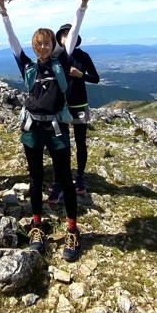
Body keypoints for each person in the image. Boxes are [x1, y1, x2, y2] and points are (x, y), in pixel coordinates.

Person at [0, 0, 94, 262]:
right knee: (36, 179)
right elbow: (11, 39)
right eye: (39, 43)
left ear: (53, 44)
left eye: (47, 42)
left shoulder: (62, 62)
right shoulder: (26, 65)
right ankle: (37, 224)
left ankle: (72, 229)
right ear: (34, 46)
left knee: (64, 177)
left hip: (57, 128)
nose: (43, 47)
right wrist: (2, 10)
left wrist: (83, 5)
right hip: (32, 128)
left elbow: (73, 34)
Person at [47, 23, 100, 203]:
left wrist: (80, 75)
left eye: (70, 34)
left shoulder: (83, 56)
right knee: (59, 143)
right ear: (59, 39)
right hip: (60, 106)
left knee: (80, 142)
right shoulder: (55, 57)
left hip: (79, 105)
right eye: (63, 35)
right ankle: (59, 181)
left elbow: (96, 78)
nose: (67, 37)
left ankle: (80, 178)